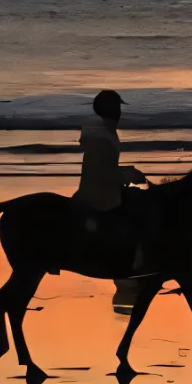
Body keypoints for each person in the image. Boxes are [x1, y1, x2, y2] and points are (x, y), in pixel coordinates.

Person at [76, 90, 152, 287]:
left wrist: (127, 171)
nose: (120, 113)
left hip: (103, 188)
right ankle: (134, 259)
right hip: (99, 195)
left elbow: (105, 168)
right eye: (117, 108)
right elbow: (100, 173)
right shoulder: (102, 137)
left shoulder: (105, 132)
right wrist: (127, 175)